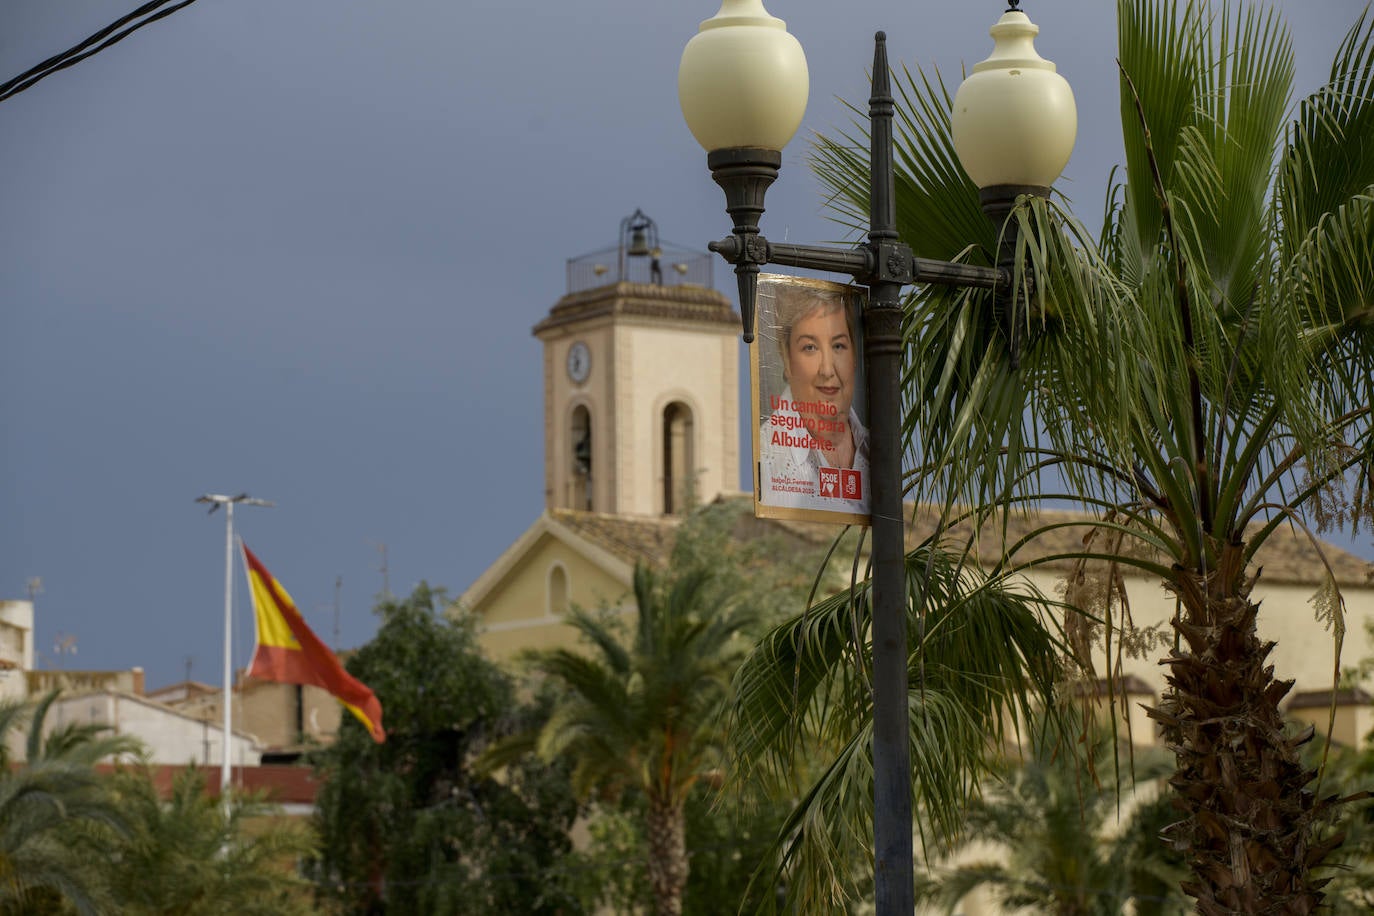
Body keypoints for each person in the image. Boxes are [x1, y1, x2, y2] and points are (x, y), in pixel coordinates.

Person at [757, 279, 869, 515]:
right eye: (810, 347)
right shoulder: (765, 457)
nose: (828, 370)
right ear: (786, 359)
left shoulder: (877, 450)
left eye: (838, 346)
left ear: (854, 355)